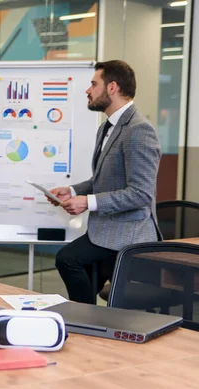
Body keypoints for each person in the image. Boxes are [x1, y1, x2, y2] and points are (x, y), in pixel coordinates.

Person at [48, 60, 161, 304]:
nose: (88, 90)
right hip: (106, 230)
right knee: (82, 277)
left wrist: (87, 202)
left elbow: (141, 194)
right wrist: (71, 191)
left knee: (68, 258)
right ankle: (87, 322)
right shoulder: (107, 128)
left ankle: (86, 320)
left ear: (112, 88)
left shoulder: (139, 130)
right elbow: (102, 180)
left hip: (130, 233)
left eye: (93, 84)